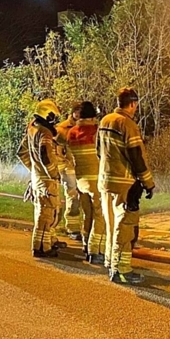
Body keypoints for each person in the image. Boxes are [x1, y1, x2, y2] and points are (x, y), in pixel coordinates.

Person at [98, 88, 155, 284]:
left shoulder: (105, 120)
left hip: (105, 181)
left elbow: (99, 151)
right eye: (136, 105)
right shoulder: (128, 124)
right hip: (124, 184)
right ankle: (121, 270)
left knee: (111, 223)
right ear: (132, 104)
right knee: (125, 226)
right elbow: (136, 157)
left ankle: (110, 261)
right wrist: (148, 183)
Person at [18, 99, 68, 258]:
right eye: (53, 117)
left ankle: (46, 243)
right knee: (46, 215)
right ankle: (42, 248)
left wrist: (34, 169)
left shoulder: (32, 129)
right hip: (47, 181)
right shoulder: (45, 133)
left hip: (37, 179)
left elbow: (22, 153)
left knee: (43, 213)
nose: (55, 121)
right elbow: (46, 156)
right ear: (47, 115)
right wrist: (53, 174)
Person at [67, 101, 106, 264]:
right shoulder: (96, 131)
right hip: (96, 180)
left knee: (87, 214)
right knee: (100, 214)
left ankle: (85, 243)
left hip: (80, 180)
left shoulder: (72, 132)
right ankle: (95, 250)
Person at [55, 103, 83, 241]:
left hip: (83, 169)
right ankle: (73, 228)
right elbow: (57, 151)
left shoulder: (87, 127)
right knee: (73, 197)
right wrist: (63, 168)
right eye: (76, 112)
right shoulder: (62, 129)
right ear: (72, 113)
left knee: (85, 198)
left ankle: (84, 227)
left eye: (80, 112)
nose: (78, 115)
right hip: (69, 168)